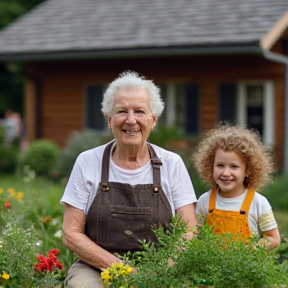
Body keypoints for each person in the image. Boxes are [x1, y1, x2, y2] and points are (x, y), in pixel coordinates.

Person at [61, 71, 198, 288]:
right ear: (109, 119)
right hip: (96, 267)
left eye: (140, 111)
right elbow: (71, 233)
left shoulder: (171, 163)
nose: (131, 120)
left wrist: (159, 269)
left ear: (153, 121)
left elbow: (189, 232)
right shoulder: (88, 161)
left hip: (160, 266)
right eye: (122, 111)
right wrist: (119, 268)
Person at [193, 123, 281, 250]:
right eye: (220, 165)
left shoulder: (258, 203)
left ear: (248, 170)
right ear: (210, 166)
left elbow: (273, 238)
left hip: (246, 268)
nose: (226, 173)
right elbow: (194, 234)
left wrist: (252, 250)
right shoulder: (204, 201)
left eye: (234, 167)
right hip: (212, 268)